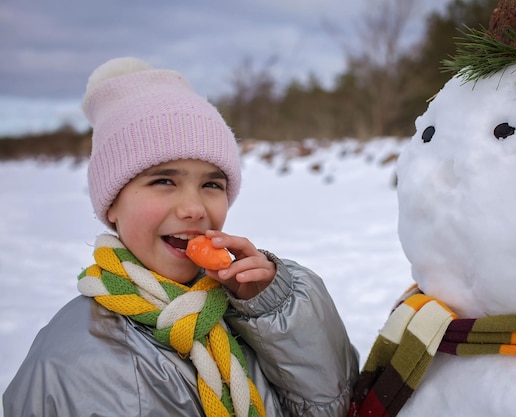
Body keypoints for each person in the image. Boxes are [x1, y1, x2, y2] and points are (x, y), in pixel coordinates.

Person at [3, 56, 359, 417]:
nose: (194, 208)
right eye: (163, 181)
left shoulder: (239, 308)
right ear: (112, 204)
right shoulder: (71, 368)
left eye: (211, 184)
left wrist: (277, 309)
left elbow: (336, 407)